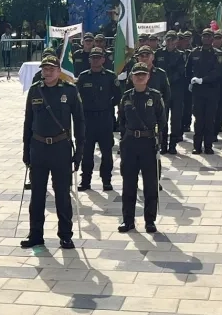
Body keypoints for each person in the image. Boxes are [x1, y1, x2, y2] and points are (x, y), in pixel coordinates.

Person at [21, 55, 84, 250]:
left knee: (62, 196)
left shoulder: (70, 91)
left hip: (60, 149)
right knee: (37, 196)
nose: (47, 72)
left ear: (59, 71)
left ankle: (65, 235)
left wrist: (79, 152)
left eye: (51, 69)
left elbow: (80, 123)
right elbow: (28, 123)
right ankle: (35, 234)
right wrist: (26, 151)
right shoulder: (34, 91)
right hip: (39, 148)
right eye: (44, 69)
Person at [117, 62, 164, 233]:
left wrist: (159, 143)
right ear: (131, 77)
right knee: (129, 184)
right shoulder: (126, 97)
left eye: (143, 74)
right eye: (137, 74)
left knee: (150, 184)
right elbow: (121, 120)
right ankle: (128, 220)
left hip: (149, 144)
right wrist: (124, 139)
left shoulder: (156, 96)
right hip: (130, 144)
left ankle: (150, 220)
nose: (140, 77)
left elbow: (162, 121)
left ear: (148, 77)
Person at [76, 47, 120, 191]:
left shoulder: (110, 76)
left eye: (98, 57)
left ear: (103, 59)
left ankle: (106, 180)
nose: (95, 60)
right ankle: (85, 180)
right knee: (86, 152)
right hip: (88, 119)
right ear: (89, 60)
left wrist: (106, 106)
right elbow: (77, 98)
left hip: (105, 118)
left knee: (106, 152)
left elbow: (118, 96)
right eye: (92, 57)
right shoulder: (83, 77)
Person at [186, 28, 222, 154]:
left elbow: (218, 72)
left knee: (209, 119)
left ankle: (208, 146)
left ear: (212, 38)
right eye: (204, 36)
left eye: (209, 36)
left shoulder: (218, 54)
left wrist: (203, 80)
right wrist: (191, 81)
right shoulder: (194, 53)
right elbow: (188, 70)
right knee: (198, 119)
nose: (206, 38)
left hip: (212, 91)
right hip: (198, 91)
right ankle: (197, 146)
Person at [156, 31, 187, 153]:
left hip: (176, 90)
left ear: (176, 42)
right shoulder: (158, 53)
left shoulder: (180, 55)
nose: (170, 43)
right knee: (163, 118)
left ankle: (173, 144)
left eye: (172, 41)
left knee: (176, 119)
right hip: (162, 90)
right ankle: (163, 144)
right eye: (168, 40)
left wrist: (167, 80)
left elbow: (180, 71)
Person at [212, 30, 222, 139]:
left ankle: (219, 125)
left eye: (219, 38)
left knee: (221, 106)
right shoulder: (208, 50)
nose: (217, 40)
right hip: (211, 84)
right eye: (215, 38)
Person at [177, 31, 194, 133]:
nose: (180, 42)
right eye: (178, 39)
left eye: (182, 39)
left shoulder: (189, 52)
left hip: (187, 82)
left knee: (187, 105)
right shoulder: (171, 53)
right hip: (176, 84)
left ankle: (186, 124)